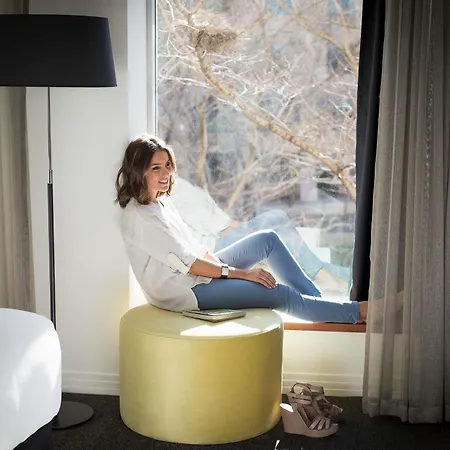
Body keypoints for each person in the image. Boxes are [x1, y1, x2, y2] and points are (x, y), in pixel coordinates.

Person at [116, 133, 368, 324]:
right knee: (278, 293)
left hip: (194, 275)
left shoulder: (160, 202)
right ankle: (357, 312)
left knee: (267, 239)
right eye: (156, 168)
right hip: (183, 290)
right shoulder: (142, 218)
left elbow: (194, 247)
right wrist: (242, 274)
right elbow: (189, 264)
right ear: (139, 171)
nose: (166, 174)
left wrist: (222, 268)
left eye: (167, 165)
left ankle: (317, 303)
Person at [169, 176, 350, 295]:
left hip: (213, 245)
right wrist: (251, 231)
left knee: (302, 255)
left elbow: (220, 223)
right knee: (275, 220)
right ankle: (325, 278)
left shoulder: (174, 189)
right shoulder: (175, 189)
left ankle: (346, 277)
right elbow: (219, 225)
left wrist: (248, 229)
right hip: (211, 252)